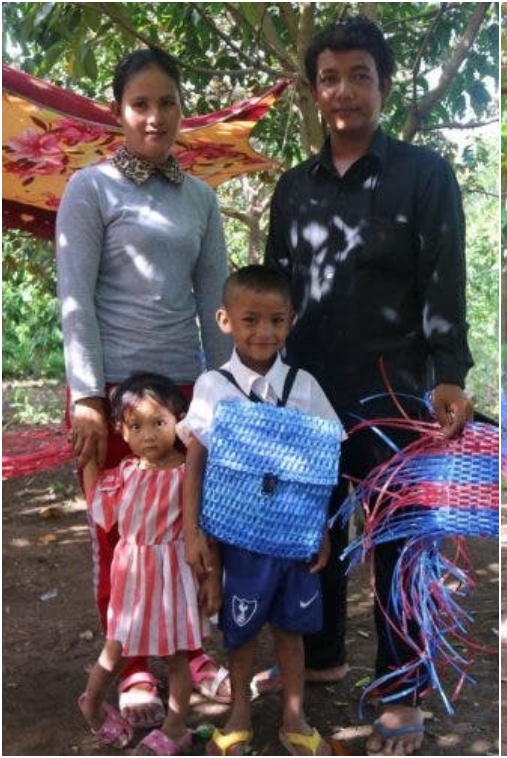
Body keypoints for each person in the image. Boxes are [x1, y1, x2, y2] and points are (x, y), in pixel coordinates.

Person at [262, 16, 475, 756]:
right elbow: (274, 298)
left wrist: (450, 375)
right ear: (314, 92)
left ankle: (401, 687)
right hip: (305, 397)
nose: (344, 91)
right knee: (310, 531)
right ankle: (320, 657)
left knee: (399, 544)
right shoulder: (292, 191)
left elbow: (445, 282)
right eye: (330, 78)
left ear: (384, 87)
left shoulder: (425, 176)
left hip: (394, 395)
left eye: (360, 76)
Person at [56, 46, 232, 729]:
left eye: (167, 102)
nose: (155, 117)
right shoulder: (90, 189)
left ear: (182, 108)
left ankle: (187, 653)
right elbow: (74, 298)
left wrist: (227, 392)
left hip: (183, 395)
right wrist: (89, 399)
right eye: (141, 104)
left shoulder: (201, 199)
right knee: (120, 541)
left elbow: (215, 303)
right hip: (115, 398)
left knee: (182, 530)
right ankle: (130, 663)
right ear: (118, 112)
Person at [181, 265, 344, 756]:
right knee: (241, 627)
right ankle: (240, 714)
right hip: (236, 539)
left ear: (291, 321)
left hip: (294, 537)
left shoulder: (304, 387)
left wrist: (321, 529)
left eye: (276, 320)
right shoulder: (213, 386)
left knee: (291, 629)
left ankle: (294, 717)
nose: (263, 332)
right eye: (250, 319)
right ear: (224, 320)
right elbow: (194, 462)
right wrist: (192, 533)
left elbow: (323, 464)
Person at [77, 373, 200, 756]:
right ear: (122, 432)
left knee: (177, 656)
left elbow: (201, 527)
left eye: (159, 423)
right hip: (132, 579)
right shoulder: (125, 474)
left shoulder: (188, 475)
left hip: (172, 577)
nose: (148, 435)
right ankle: (92, 707)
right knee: (114, 651)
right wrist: (88, 459)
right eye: (136, 426)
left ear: (179, 420)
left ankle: (175, 727)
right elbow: (99, 506)